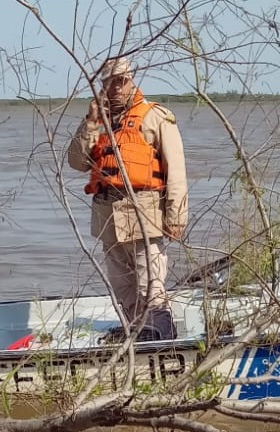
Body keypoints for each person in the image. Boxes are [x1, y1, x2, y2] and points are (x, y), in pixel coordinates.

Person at [67, 57, 188, 339]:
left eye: (122, 81)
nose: (117, 88)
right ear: (103, 85)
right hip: (107, 214)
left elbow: (177, 171)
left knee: (151, 284)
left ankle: (160, 337)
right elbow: (77, 162)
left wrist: (176, 217)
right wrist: (91, 122)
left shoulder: (156, 116)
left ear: (132, 80)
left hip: (144, 212)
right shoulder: (98, 123)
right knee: (122, 285)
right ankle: (137, 333)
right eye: (111, 82)